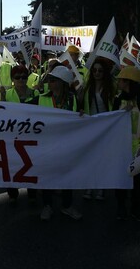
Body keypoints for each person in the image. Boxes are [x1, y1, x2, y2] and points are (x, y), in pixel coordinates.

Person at [38, 66, 82, 221]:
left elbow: (76, 118)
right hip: (48, 145)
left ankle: (67, 205)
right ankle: (47, 206)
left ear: (62, 83)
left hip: (66, 144)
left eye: (53, 80)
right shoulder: (41, 98)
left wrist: (80, 116)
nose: (49, 83)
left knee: (67, 176)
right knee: (47, 176)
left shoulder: (72, 99)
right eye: (49, 80)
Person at [114, 66, 140, 221]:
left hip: (138, 147)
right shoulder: (117, 99)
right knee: (120, 179)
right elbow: (111, 120)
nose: (118, 82)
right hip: (121, 147)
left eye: (120, 79)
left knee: (137, 181)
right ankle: (121, 207)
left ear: (128, 82)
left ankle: (136, 207)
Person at [79, 58, 116, 200]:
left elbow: (117, 104)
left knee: (102, 157)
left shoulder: (112, 86)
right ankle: (89, 186)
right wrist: (81, 110)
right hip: (91, 125)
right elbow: (81, 104)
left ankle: (100, 187)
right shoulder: (87, 87)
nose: (97, 73)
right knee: (91, 157)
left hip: (106, 126)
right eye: (94, 70)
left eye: (100, 70)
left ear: (105, 72)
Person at [1, 64, 39, 205]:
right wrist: (3, 99)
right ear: (12, 79)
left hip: (31, 135)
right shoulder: (8, 93)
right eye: (18, 77)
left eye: (24, 77)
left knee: (31, 165)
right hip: (13, 136)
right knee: (11, 165)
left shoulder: (35, 93)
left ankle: (32, 193)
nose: (21, 80)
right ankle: (12, 193)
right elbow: (2, 114)